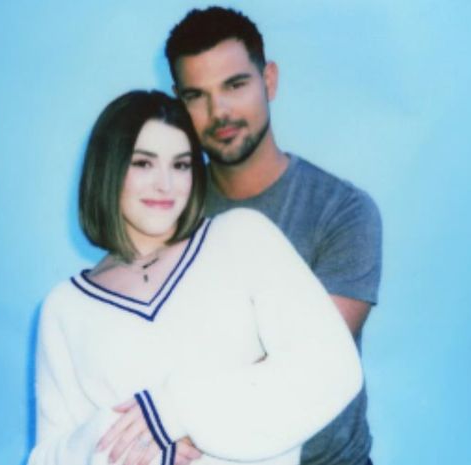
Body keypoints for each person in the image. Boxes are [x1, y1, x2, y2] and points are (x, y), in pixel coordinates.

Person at [27, 90, 363, 465]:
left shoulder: (241, 238)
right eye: (143, 163)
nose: (165, 184)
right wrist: (127, 438)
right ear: (108, 170)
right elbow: (48, 458)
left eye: (181, 165)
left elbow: (332, 368)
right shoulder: (66, 307)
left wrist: (175, 411)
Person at [161, 7, 383, 465]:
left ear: (270, 80)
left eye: (235, 85)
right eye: (197, 95)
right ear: (179, 104)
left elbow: (312, 362)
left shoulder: (341, 211)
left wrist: (175, 414)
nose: (219, 112)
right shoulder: (169, 211)